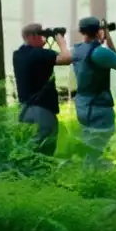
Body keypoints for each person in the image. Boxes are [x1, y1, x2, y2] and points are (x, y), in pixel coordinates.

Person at [71, 16, 116, 155]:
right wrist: (108, 40)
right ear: (98, 31)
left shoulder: (76, 50)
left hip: (83, 106)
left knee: (90, 148)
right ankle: (92, 175)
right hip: (99, 108)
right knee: (96, 152)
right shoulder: (99, 51)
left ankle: (89, 173)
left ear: (81, 31)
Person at [13, 24, 73, 155]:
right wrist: (61, 41)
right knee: (45, 145)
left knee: (30, 144)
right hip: (42, 108)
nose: (44, 38)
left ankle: (24, 171)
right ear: (31, 37)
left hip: (25, 109)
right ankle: (41, 173)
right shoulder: (39, 54)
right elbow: (67, 58)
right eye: (41, 34)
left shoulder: (18, 54)